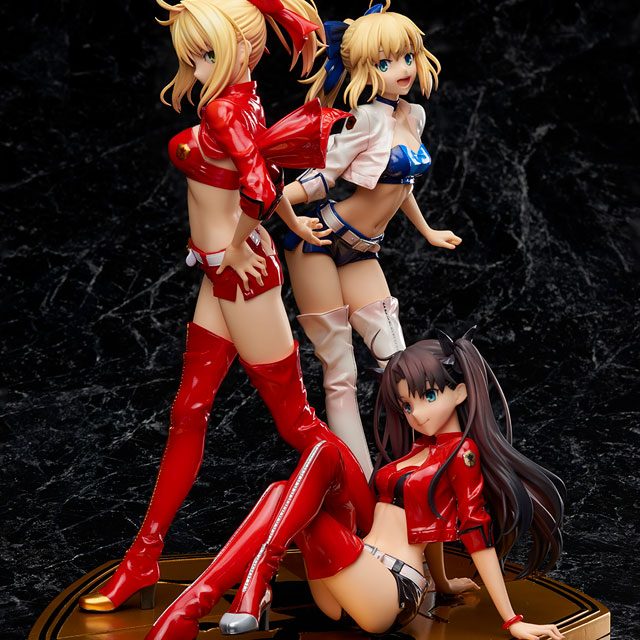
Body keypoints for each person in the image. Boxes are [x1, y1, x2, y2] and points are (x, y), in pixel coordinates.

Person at [79, 0, 353, 613]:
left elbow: (254, 187)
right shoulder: (244, 98)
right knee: (189, 411)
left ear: (244, 51)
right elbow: (263, 175)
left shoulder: (225, 108)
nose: (197, 68)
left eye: (207, 55)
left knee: (297, 424)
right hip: (220, 276)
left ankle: (363, 521)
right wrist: (282, 228)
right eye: (193, 56)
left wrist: (232, 248)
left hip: (240, 278)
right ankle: (141, 561)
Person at [143, 331, 566, 640]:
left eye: (427, 397)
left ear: (459, 393)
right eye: (406, 404)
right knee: (293, 481)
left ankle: (220, 598)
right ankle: (229, 593)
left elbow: (475, 531)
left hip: (388, 593)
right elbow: (429, 525)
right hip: (349, 576)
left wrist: (512, 620)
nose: (416, 413)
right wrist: (442, 582)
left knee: (289, 487)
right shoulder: (416, 452)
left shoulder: (463, 454)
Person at [281, 1, 462, 478]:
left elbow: (401, 188)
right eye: (384, 63)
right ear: (364, 69)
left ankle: (410, 470)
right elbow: (322, 177)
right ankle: (356, 481)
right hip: (319, 241)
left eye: (407, 57)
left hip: (363, 249)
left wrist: (427, 230)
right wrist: (277, 201)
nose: (402, 69)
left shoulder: (413, 116)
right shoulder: (362, 119)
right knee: (341, 371)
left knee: (398, 363)